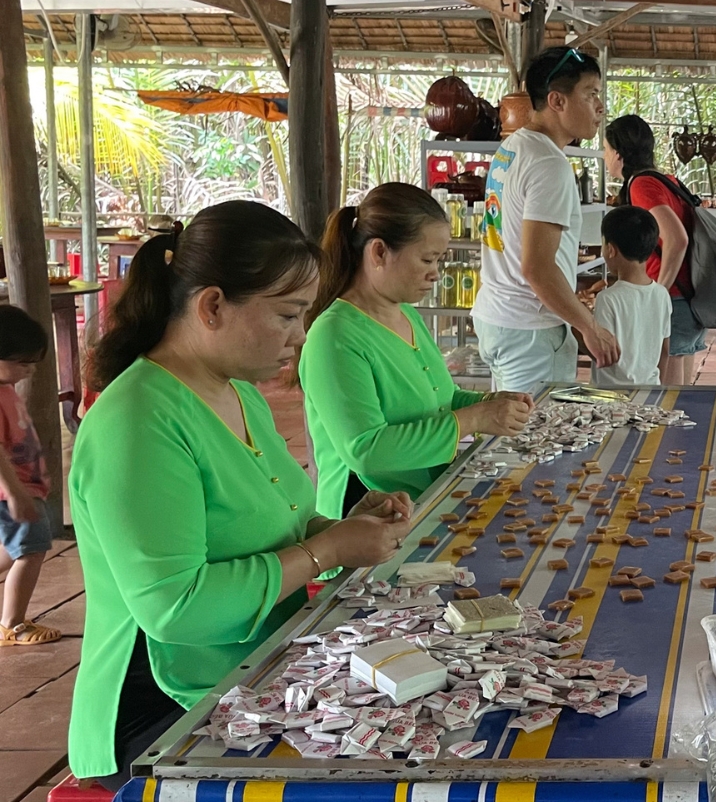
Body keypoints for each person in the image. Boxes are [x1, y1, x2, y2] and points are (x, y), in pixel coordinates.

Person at [68, 202, 415, 788]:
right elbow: (176, 608)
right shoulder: (138, 420)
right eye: (287, 315)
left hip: (254, 667)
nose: (300, 336)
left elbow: (280, 520)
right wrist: (326, 552)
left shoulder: (239, 393)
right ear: (212, 307)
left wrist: (342, 526)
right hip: (163, 701)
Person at [300, 183, 533, 519]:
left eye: (439, 260)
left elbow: (441, 399)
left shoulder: (405, 313)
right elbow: (366, 451)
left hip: (425, 499)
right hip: (367, 518)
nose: (435, 273)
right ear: (379, 252)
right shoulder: (334, 335)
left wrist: (491, 404)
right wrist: (476, 418)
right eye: (427, 259)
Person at [474, 46, 618, 392]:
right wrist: (590, 327)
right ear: (557, 101)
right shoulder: (549, 164)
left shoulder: (512, 148)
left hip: (497, 318)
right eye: (590, 94)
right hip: (531, 330)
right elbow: (537, 267)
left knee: (509, 433)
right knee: (533, 440)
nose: (600, 107)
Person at [604, 114, 706, 385]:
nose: (604, 157)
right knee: (681, 393)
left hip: (674, 298)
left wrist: (658, 292)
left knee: (666, 396)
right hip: (689, 296)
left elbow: (677, 238)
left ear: (618, 153)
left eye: (605, 149)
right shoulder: (666, 179)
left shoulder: (642, 184)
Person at [0, 307, 59, 647]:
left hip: (22, 489)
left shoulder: (6, 388)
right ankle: (13, 623)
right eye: (21, 363)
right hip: (12, 493)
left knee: (17, 550)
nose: (27, 371)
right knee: (30, 552)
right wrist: (17, 493)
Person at [590, 206, 671, 388]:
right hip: (649, 389)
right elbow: (665, 350)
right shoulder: (661, 294)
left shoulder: (608, 298)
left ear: (610, 249)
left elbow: (601, 350)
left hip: (611, 397)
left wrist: (576, 326)